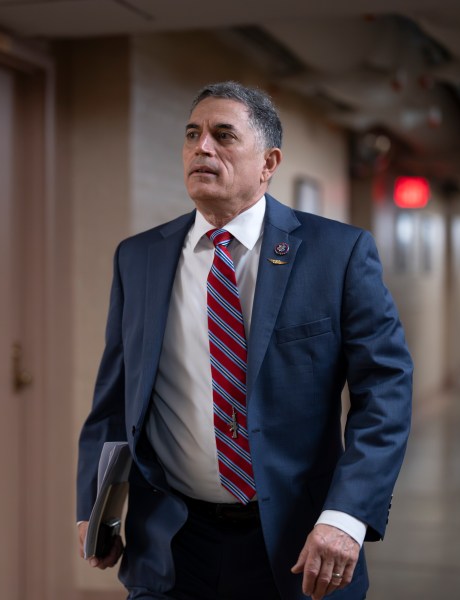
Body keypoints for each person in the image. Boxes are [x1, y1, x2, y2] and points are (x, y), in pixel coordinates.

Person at [76, 81, 413, 600]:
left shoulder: (337, 254)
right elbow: (115, 399)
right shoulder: (138, 258)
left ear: (268, 162)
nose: (201, 147)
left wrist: (347, 514)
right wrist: (95, 505)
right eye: (192, 134)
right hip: (171, 538)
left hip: (298, 541)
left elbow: (385, 390)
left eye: (223, 135)